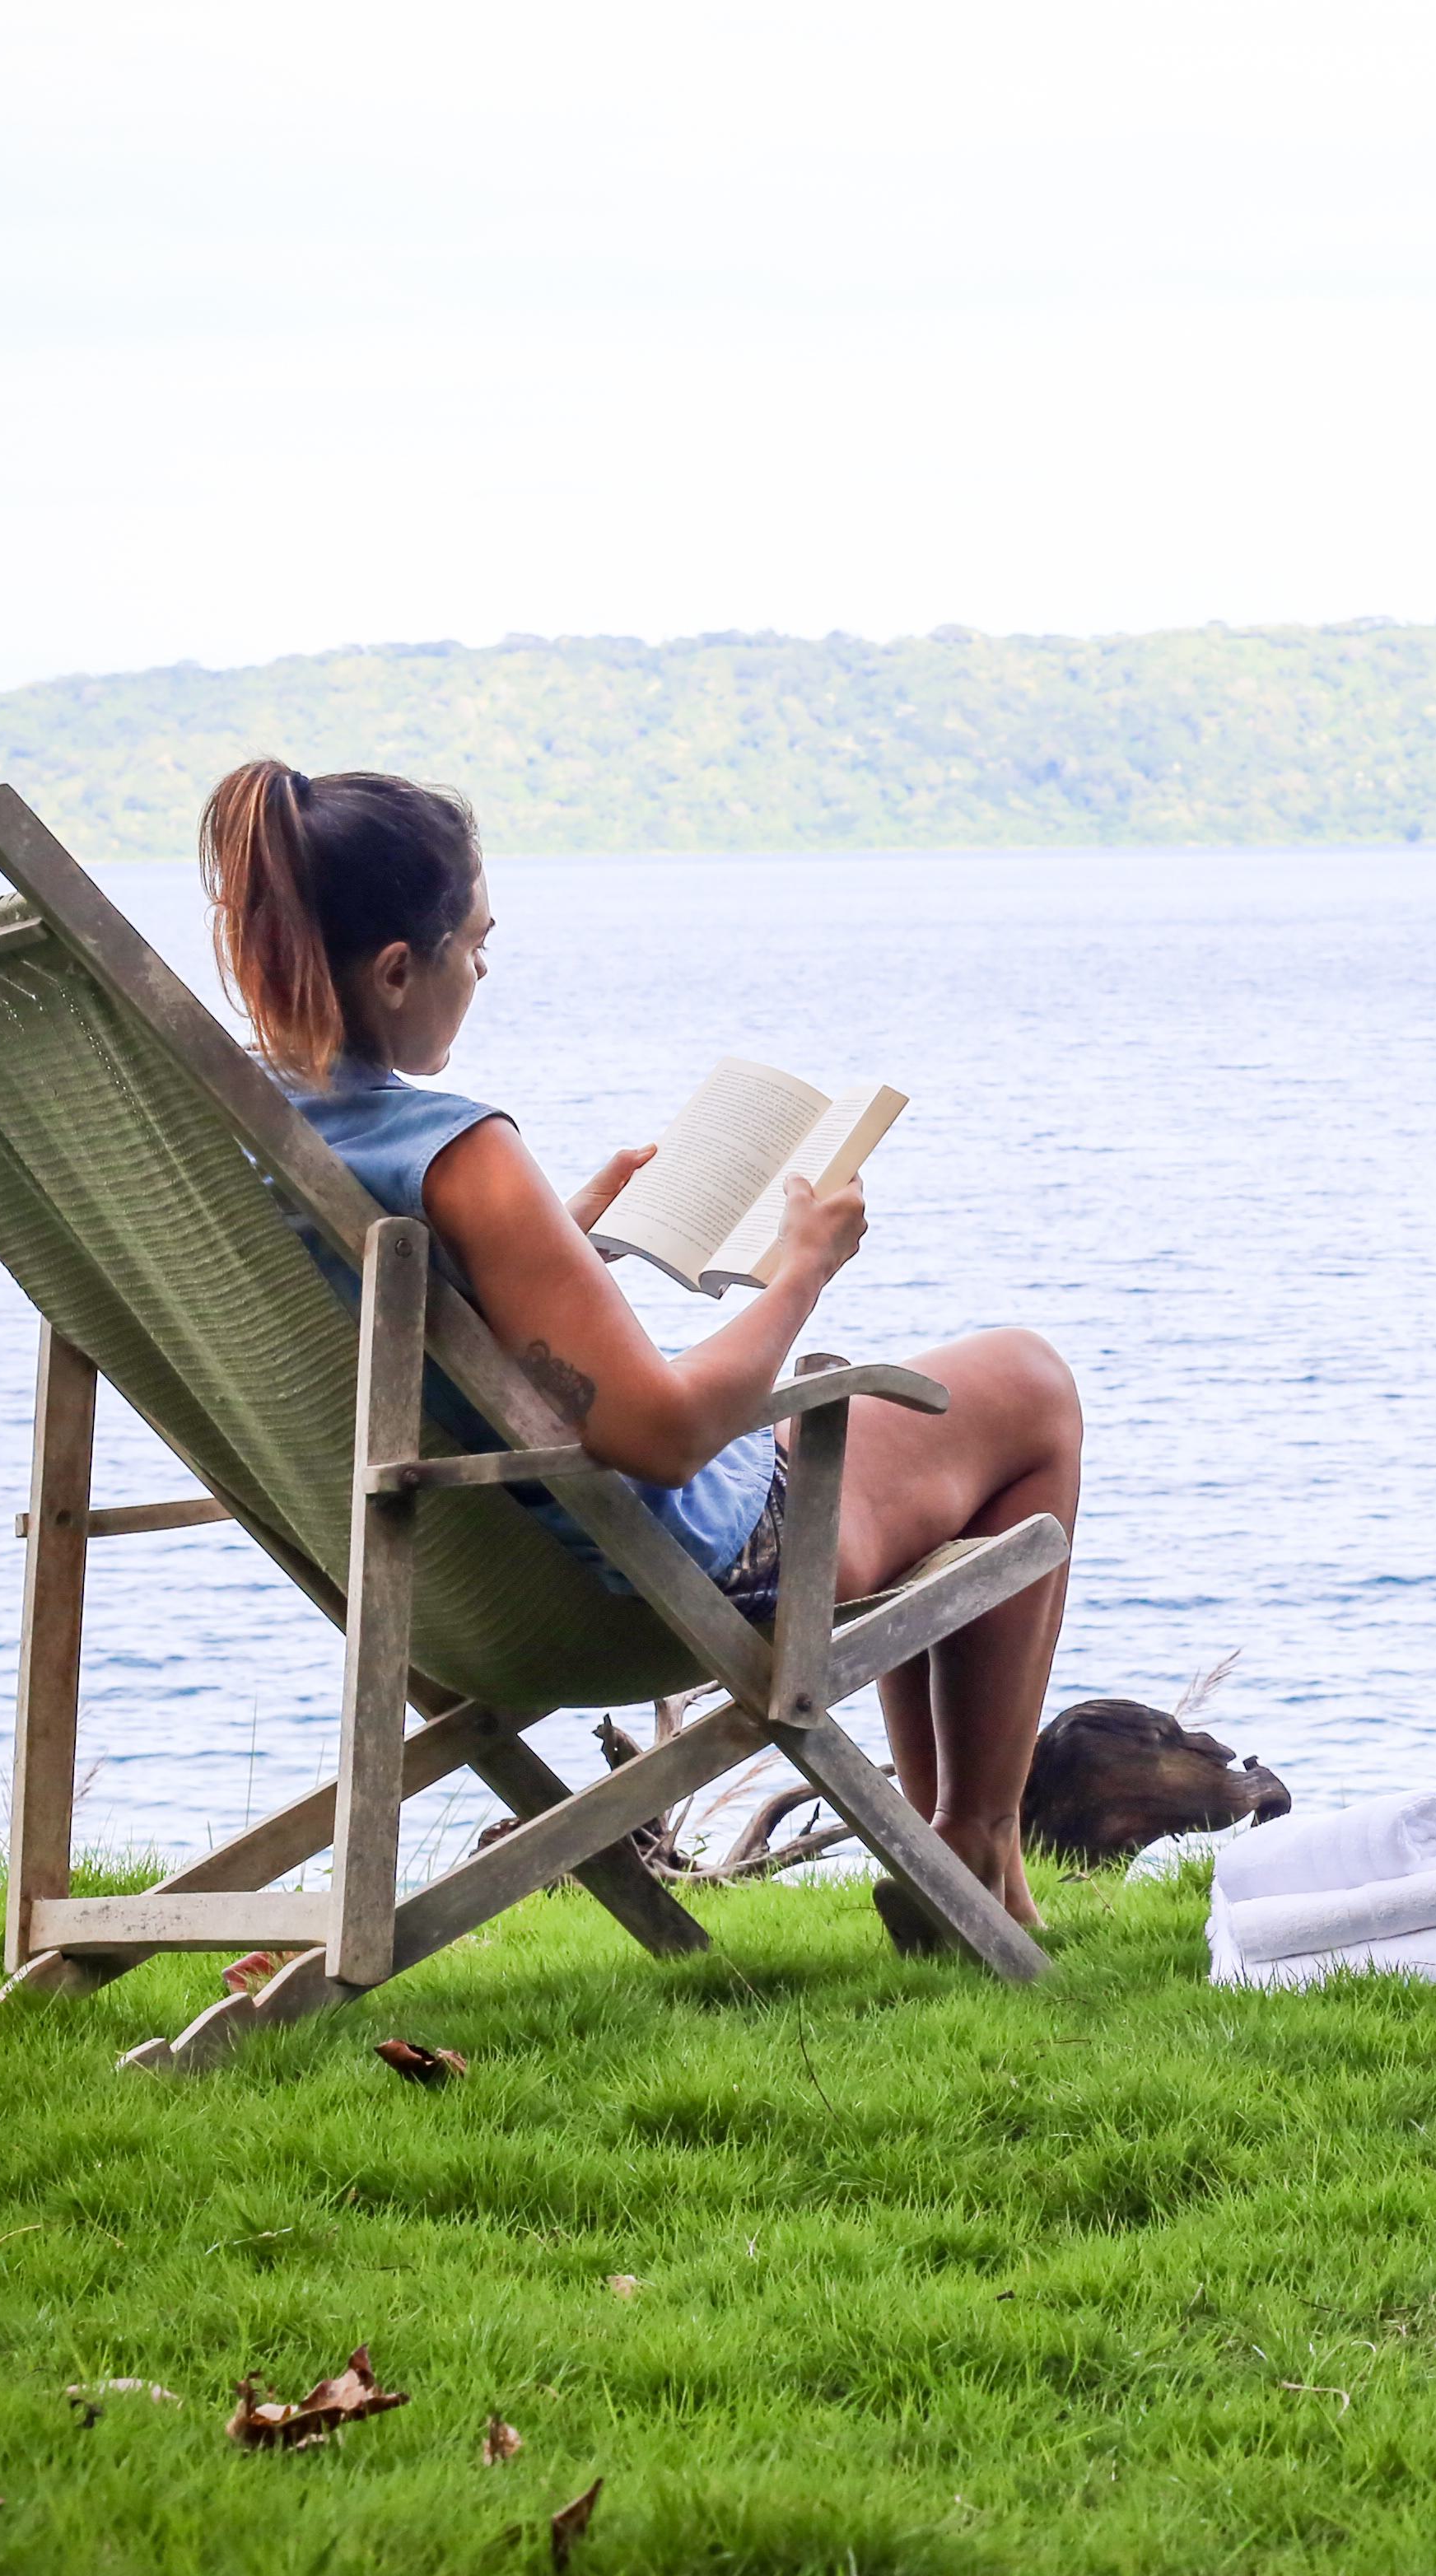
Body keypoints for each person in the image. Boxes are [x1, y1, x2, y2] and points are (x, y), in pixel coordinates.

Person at [196, 758, 1079, 1947]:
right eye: (474, 943)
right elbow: (663, 1438)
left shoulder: (232, 1128)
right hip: (673, 1576)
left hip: (454, 1580)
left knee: (942, 1436)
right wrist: (806, 1264)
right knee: (1027, 1386)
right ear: (399, 969)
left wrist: (568, 1246)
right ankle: (969, 1843)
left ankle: (960, 1846)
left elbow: (403, 1326)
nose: (483, 970)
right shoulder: (456, 1151)